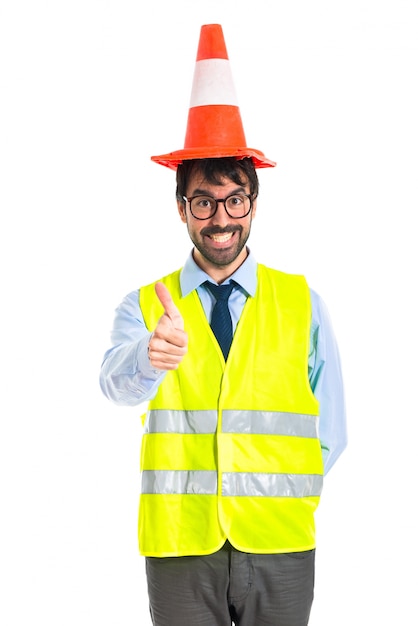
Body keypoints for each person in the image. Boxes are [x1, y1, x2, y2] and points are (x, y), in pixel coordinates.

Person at [100, 24, 347, 626]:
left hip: (280, 540)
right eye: (204, 201)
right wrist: (148, 360)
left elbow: (332, 427)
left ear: (254, 204)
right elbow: (113, 384)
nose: (220, 218)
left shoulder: (302, 301)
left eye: (234, 198)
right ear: (182, 207)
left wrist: (285, 494)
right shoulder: (145, 304)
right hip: (182, 545)